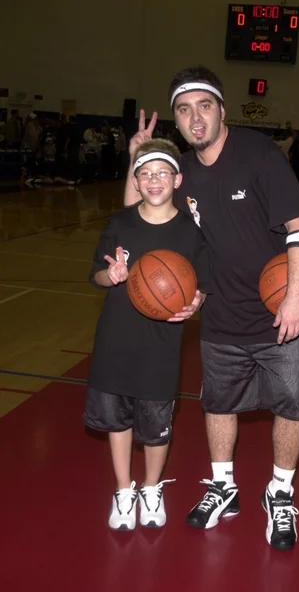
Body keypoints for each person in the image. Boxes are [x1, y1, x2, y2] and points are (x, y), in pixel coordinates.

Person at [124, 66, 299, 551]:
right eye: (184, 110)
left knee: (291, 407)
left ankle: (280, 492)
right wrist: (135, 161)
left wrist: (294, 297)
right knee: (218, 404)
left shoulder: (259, 153)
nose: (195, 117)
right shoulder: (183, 171)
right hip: (222, 314)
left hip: (279, 313)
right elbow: (137, 216)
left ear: (221, 109)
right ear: (177, 120)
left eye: (204, 106)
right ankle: (224, 486)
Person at [85, 138, 210, 531]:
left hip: (162, 343)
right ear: (136, 181)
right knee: (117, 418)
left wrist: (196, 304)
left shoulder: (191, 231)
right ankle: (124, 489)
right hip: (115, 338)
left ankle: (152, 487)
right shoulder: (120, 223)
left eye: (162, 173)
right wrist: (113, 275)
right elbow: (97, 275)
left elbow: (203, 282)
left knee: (156, 423)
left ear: (177, 180)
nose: (154, 180)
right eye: (146, 174)